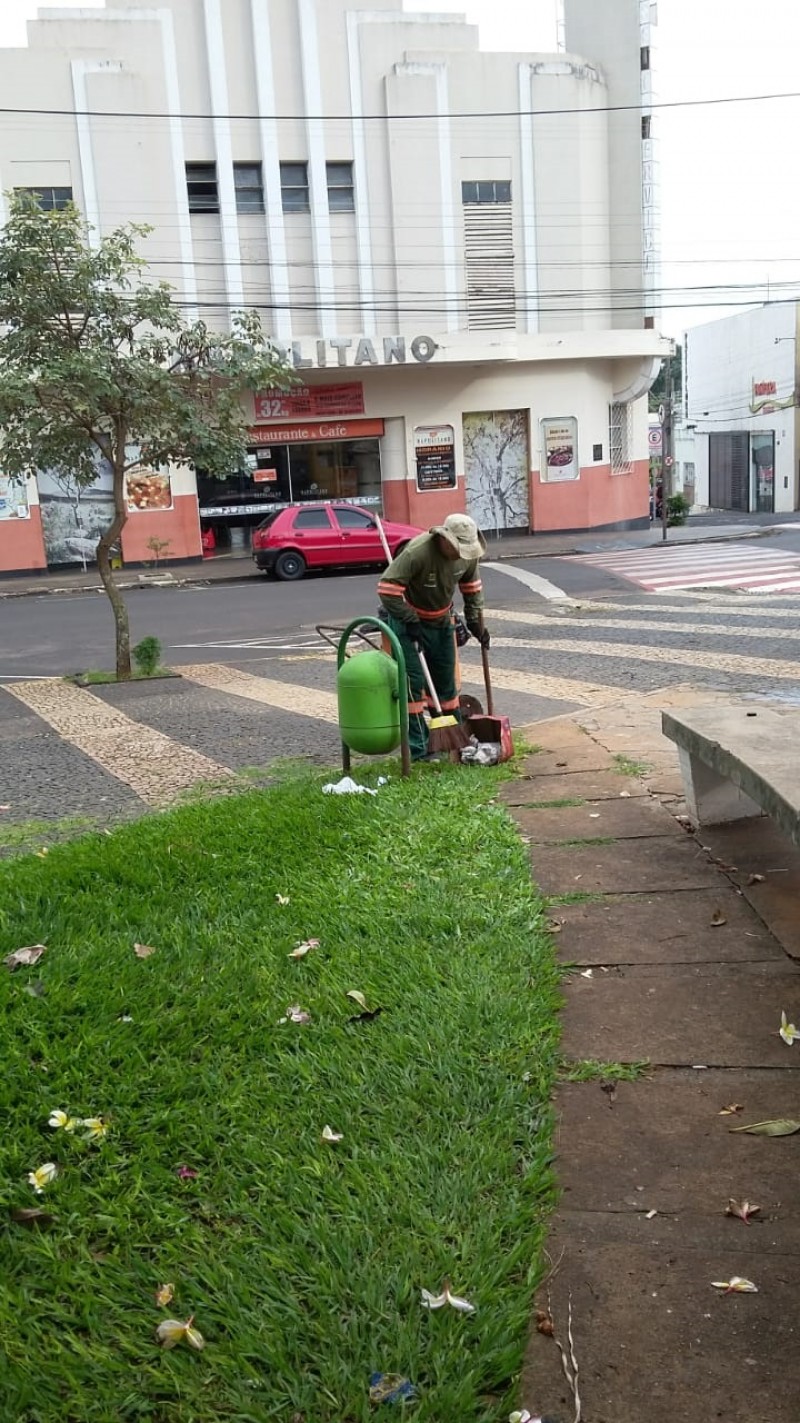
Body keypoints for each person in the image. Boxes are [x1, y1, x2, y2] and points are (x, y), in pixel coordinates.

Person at [378, 513, 489, 761]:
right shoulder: (417, 552)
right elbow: (387, 589)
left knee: (445, 682)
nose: (463, 554)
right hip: (410, 621)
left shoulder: (468, 558)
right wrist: (409, 619)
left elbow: (472, 589)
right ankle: (418, 749)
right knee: (413, 682)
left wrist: (475, 623)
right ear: (444, 539)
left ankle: (451, 740)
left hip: (441, 620)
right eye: (458, 548)